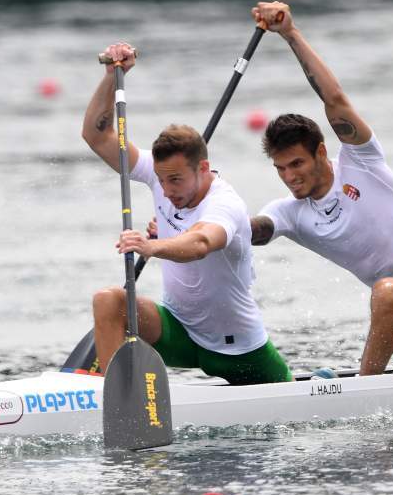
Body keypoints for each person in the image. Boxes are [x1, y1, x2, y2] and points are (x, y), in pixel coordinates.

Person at [249, 2, 393, 376]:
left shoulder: (362, 162)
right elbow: (250, 231)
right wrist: (196, 220)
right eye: (281, 168)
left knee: (386, 292)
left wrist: (290, 33)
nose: (289, 176)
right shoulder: (288, 213)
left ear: (320, 152)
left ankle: (361, 388)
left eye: (297, 164)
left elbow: (334, 100)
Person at [81, 42, 292, 386]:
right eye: (161, 180)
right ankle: (113, 394)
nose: (166, 190)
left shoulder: (225, 204)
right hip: (180, 331)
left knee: (286, 394)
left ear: (203, 168)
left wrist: (151, 246)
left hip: (239, 349)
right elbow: (96, 135)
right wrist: (111, 77)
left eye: (176, 180)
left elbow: (200, 243)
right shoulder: (163, 174)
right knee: (109, 301)